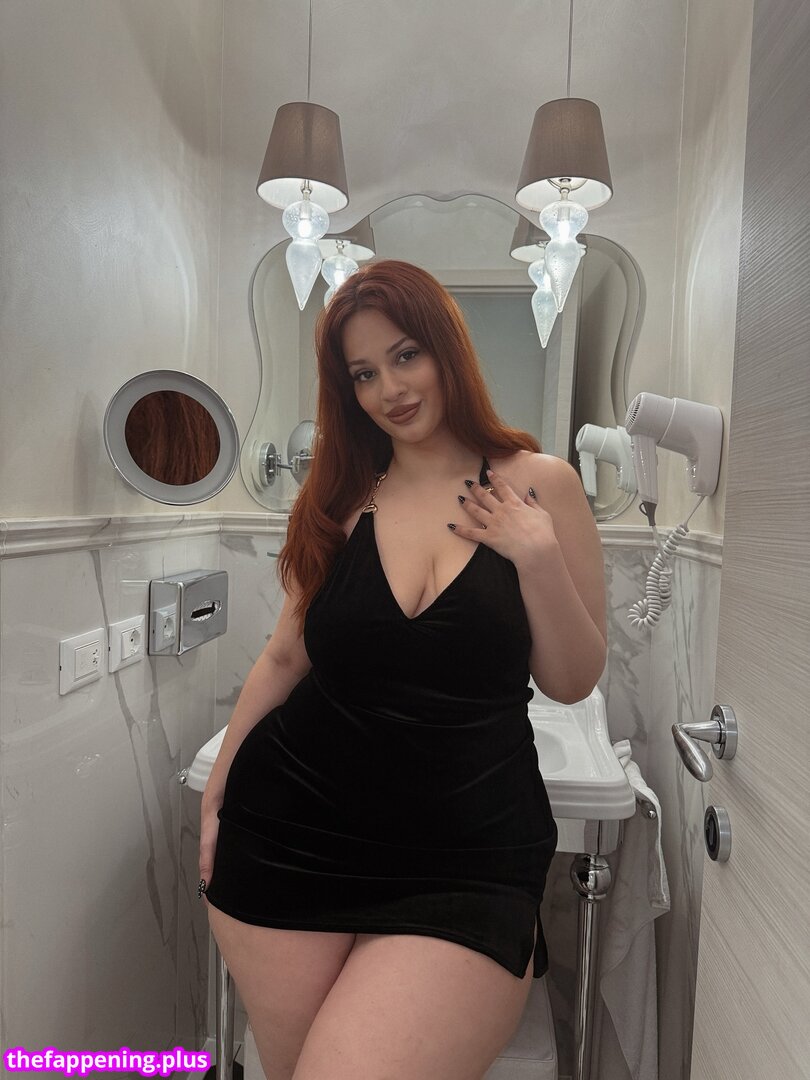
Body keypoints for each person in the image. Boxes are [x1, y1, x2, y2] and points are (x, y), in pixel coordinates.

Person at [200, 259, 607, 1080]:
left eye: (406, 355)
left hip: (469, 860)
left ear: (446, 349)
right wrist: (216, 796)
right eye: (363, 373)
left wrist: (536, 558)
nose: (389, 388)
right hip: (290, 834)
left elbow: (571, 680)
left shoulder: (540, 486)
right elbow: (286, 656)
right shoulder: (341, 498)